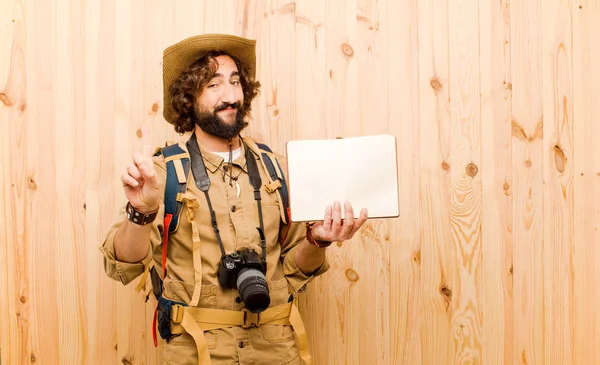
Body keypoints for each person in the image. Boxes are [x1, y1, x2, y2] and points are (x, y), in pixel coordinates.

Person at [99, 33, 368, 365]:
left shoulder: (277, 170)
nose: (230, 96)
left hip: (278, 350)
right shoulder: (162, 176)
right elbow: (121, 265)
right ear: (188, 98)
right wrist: (141, 211)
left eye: (236, 82)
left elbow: (296, 271)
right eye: (213, 85)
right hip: (197, 354)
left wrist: (319, 240)